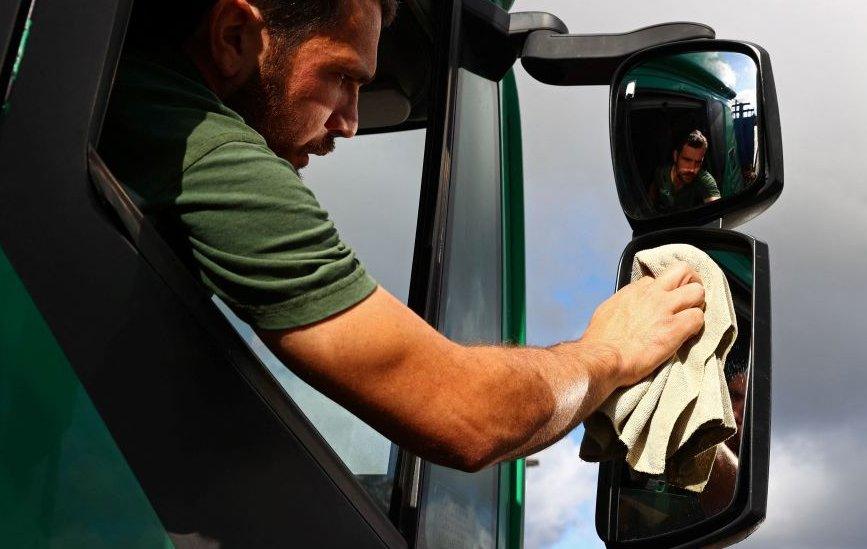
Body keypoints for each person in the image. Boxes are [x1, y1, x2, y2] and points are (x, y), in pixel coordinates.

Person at [99, 0, 707, 472]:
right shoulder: (207, 152)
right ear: (235, 35)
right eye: (341, 75)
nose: (351, 123)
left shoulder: (133, 96)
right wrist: (611, 353)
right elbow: (465, 415)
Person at [648, 129, 722, 211]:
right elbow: (651, 199)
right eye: (687, 160)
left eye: (697, 162)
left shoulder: (704, 179)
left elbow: (716, 208)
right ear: (676, 156)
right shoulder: (661, 172)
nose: (692, 169)